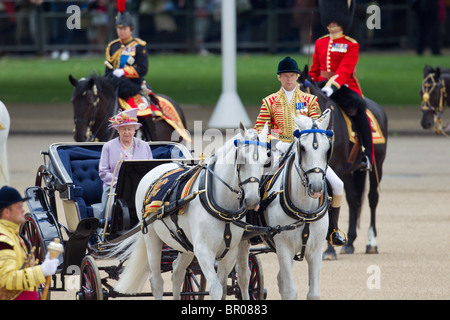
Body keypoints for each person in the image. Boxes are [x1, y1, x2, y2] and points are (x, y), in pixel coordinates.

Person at [254, 56, 346, 247]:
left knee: (337, 185)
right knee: (255, 184)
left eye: (292, 75)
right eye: (285, 76)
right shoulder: (269, 102)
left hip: (306, 153)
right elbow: (259, 132)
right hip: (278, 151)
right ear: (279, 78)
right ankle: (256, 225)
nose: (289, 79)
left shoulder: (310, 100)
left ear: (297, 77)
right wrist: (276, 142)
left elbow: (319, 128)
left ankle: (333, 230)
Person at [309, 0, 373, 171]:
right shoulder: (320, 43)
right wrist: (310, 84)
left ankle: (367, 155)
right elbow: (315, 69)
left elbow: (344, 71)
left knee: (359, 111)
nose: (332, 23)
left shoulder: (351, 44)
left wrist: (332, 87)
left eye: (335, 20)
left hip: (344, 87)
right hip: (321, 86)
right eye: (329, 19)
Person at [0, 186, 58, 300]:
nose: (23, 211)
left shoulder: (12, 235)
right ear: (7, 212)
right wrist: (41, 271)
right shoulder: (4, 240)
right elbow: (7, 279)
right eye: (19, 208)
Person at [98, 109, 153, 219]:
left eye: (129, 129)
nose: (127, 132)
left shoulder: (144, 145)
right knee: (113, 205)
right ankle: (108, 228)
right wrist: (122, 183)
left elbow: (150, 169)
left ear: (134, 130)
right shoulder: (108, 146)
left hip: (141, 186)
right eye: (123, 129)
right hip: (115, 188)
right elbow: (103, 172)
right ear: (118, 130)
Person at [105, 0, 151, 113]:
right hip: (113, 83)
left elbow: (143, 69)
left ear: (131, 29)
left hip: (133, 85)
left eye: (124, 29)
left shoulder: (139, 46)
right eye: (119, 29)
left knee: (144, 112)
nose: (121, 32)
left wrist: (124, 72)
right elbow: (108, 68)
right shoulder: (112, 46)